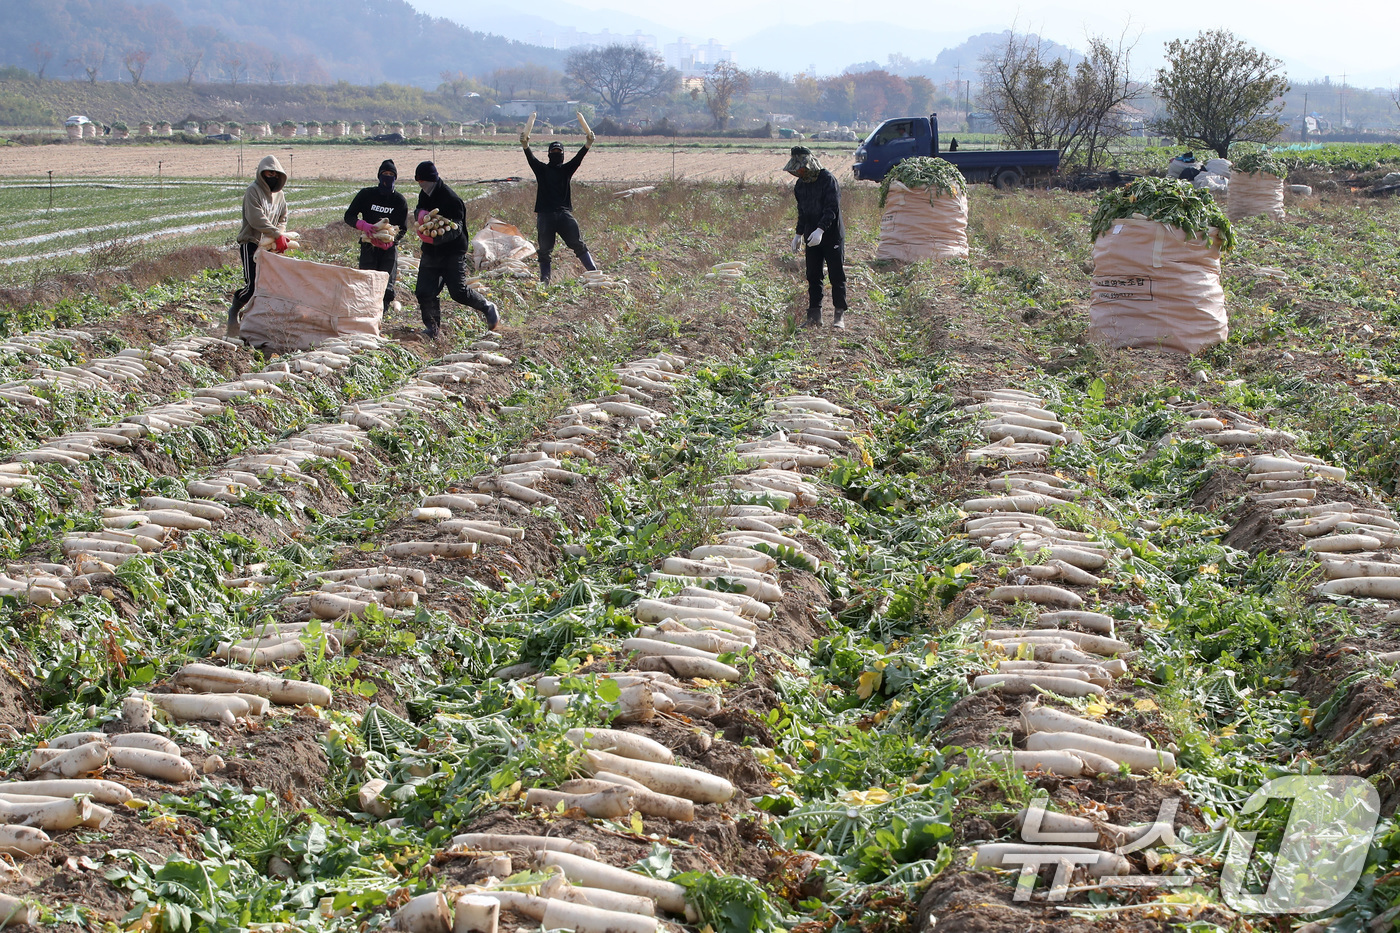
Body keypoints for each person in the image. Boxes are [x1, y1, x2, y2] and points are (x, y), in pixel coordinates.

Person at [411, 161, 498, 338]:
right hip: (431, 250)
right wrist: (419, 214)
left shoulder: (451, 199)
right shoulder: (425, 194)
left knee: (458, 292)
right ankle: (433, 329)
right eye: (419, 182)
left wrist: (438, 238)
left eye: (424, 182)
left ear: (433, 180)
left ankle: (487, 306)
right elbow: (419, 209)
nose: (422, 185)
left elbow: (457, 229)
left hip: (452, 251)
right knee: (424, 291)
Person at [520, 129, 598, 284]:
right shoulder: (541, 170)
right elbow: (531, 159)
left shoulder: (566, 170)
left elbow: (578, 158)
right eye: (554, 151)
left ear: (562, 154)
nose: (556, 154)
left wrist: (588, 144)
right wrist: (525, 146)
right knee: (544, 251)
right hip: (545, 216)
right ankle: (545, 282)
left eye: (559, 151)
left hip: (563, 215)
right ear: (549, 154)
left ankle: (595, 274)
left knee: (578, 244)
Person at [783, 146, 847, 329]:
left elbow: (831, 208)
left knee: (836, 275)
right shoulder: (800, 186)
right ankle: (814, 316)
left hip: (831, 234)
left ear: (808, 165)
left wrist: (821, 230)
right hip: (812, 236)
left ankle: (839, 316)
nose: (798, 172)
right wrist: (798, 234)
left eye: (800, 168)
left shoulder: (828, 180)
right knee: (813, 274)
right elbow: (802, 211)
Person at [227, 155, 290, 338]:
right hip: (252, 243)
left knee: (269, 286)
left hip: (270, 246)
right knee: (253, 286)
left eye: (275, 173)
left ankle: (254, 323)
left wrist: (280, 234)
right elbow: (256, 219)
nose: (271, 176)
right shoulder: (252, 191)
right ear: (261, 174)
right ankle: (235, 308)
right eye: (268, 173)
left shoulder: (280, 196)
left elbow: (283, 217)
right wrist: (276, 234)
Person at [344, 159, 408, 313]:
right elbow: (349, 216)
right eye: (385, 174)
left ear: (395, 177)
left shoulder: (399, 200)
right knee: (367, 282)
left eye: (391, 174)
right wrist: (363, 225)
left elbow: (403, 228)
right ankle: (366, 313)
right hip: (368, 245)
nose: (388, 177)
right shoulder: (366, 195)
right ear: (379, 176)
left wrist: (392, 241)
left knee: (386, 286)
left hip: (389, 250)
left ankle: (381, 315)